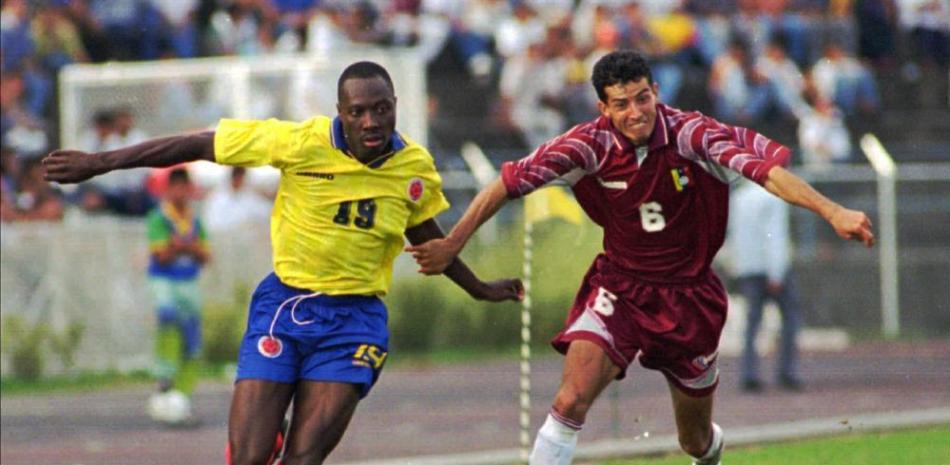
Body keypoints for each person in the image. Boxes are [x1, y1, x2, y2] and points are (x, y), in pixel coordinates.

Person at [43, 61, 524, 465]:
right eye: (358, 111)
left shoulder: (414, 167)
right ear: (341, 113)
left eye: (382, 108)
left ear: (395, 105)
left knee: (302, 459)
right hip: (284, 306)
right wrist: (100, 163)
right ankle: (266, 431)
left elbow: (426, 235)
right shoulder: (298, 143)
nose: (372, 121)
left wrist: (478, 286)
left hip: (355, 323)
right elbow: (197, 144)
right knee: (249, 458)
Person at [406, 51, 874, 465]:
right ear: (603, 108)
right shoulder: (587, 145)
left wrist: (833, 211)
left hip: (690, 299)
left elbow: (767, 172)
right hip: (621, 287)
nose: (636, 112)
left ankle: (710, 451)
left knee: (693, 440)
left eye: (642, 98)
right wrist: (454, 243)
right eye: (622, 103)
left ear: (656, 91)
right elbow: (506, 184)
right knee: (570, 402)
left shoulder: (692, 134)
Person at [145, 167, 210, 423]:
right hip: (165, 280)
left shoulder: (195, 220)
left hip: (188, 281)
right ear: (167, 189)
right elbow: (161, 255)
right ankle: (164, 376)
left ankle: (183, 395)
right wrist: (188, 247)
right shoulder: (159, 217)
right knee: (167, 316)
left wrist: (179, 246)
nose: (181, 191)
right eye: (176, 186)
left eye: (185, 186)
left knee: (192, 338)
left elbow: (205, 255)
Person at [727, 179, 803, 393]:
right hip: (770, 267)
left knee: (752, 323)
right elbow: (775, 235)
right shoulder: (774, 197)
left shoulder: (738, 197)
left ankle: (749, 373)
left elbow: (733, 233)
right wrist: (776, 271)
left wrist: (737, 265)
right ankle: (787, 371)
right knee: (790, 318)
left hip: (747, 266)